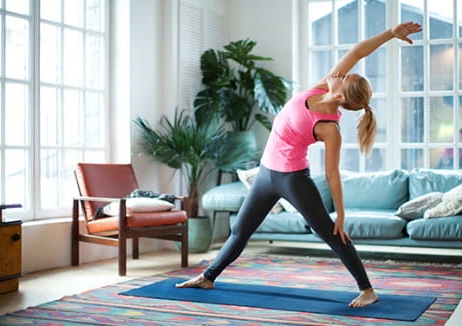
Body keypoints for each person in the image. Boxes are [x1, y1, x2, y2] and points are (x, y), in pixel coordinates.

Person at [176, 22, 422, 308]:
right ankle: (208, 276)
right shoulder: (323, 86)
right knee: (240, 231)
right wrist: (391, 34)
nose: (340, 74)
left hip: (292, 179)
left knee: (331, 233)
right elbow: (358, 51)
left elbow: (332, 174)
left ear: (341, 97)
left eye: (344, 78)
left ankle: (367, 289)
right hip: (266, 173)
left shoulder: (330, 128)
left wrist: (341, 214)